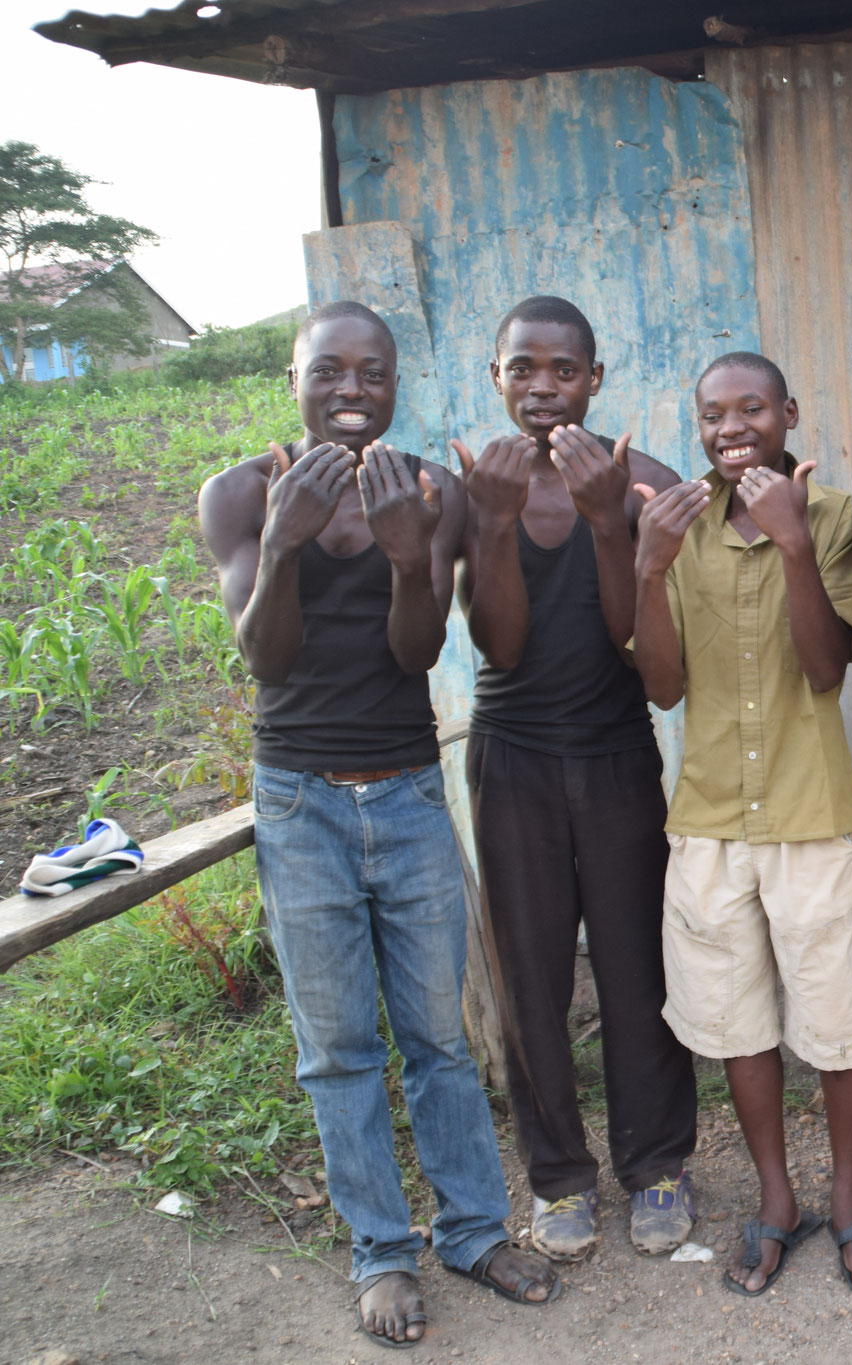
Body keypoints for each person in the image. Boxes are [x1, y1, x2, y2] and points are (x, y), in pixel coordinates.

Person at [196, 301, 559, 1350]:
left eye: (372, 374)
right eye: (329, 373)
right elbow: (265, 657)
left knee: (438, 1038)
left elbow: (413, 656)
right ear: (295, 378)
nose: (351, 391)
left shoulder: (430, 496)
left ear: (396, 384)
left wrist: (410, 560)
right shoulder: (238, 494)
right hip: (301, 802)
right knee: (339, 1049)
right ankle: (381, 1252)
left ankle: (475, 1232)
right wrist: (285, 542)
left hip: (404, 795)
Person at [633, 351, 852, 1298]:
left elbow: (828, 668)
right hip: (707, 819)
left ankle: (851, 1195)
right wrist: (646, 565)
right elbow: (662, 686)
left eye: (752, 406)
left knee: (836, 1019)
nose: (732, 425)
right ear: (698, 424)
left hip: (807, 814)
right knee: (740, 1021)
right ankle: (777, 1195)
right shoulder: (676, 527)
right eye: (714, 413)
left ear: (788, 412)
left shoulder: (829, 517)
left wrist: (793, 544)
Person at [453, 295, 696, 1263]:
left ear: (596, 379)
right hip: (511, 757)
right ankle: (558, 1180)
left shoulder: (645, 484)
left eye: (563, 370)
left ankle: (658, 1167)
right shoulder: (476, 483)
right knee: (533, 979)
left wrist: (605, 523)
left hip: (614, 752)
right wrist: (499, 522)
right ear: (496, 379)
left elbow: (637, 649)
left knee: (639, 971)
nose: (543, 389)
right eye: (524, 369)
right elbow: (501, 646)